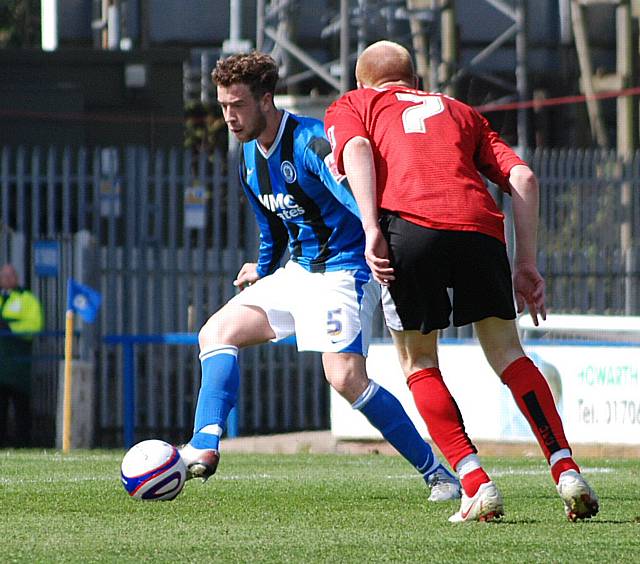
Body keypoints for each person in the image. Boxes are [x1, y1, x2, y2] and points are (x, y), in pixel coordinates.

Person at [324, 40, 599, 523]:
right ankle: (566, 468)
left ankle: (474, 481)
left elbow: (361, 148)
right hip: (480, 227)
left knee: (419, 360)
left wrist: (370, 227)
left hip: (409, 227)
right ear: (414, 79)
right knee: (509, 355)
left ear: (363, 81)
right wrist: (527, 265)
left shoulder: (355, 104)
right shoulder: (460, 110)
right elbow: (525, 179)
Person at [178, 51, 460, 503]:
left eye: (237, 106)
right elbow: (273, 228)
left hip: (345, 271)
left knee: (345, 377)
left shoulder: (313, 144)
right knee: (215, 332)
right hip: (299, 273)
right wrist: (263, 268)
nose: (228, 117)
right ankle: (206, 444)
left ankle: (437, 474)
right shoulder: (250, 158)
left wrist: (380, 241)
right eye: (223, 106)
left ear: (266, 100)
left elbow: (356, 201)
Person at [0, 263, 44, 447]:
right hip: (2, 365)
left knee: (21, 405)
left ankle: (23, 443)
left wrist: (10, 328)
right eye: (4, 276)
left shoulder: (27, 299)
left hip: (19, 366)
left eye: (11, 275)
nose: (8, 279)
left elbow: (35, 325)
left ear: (17, 278)